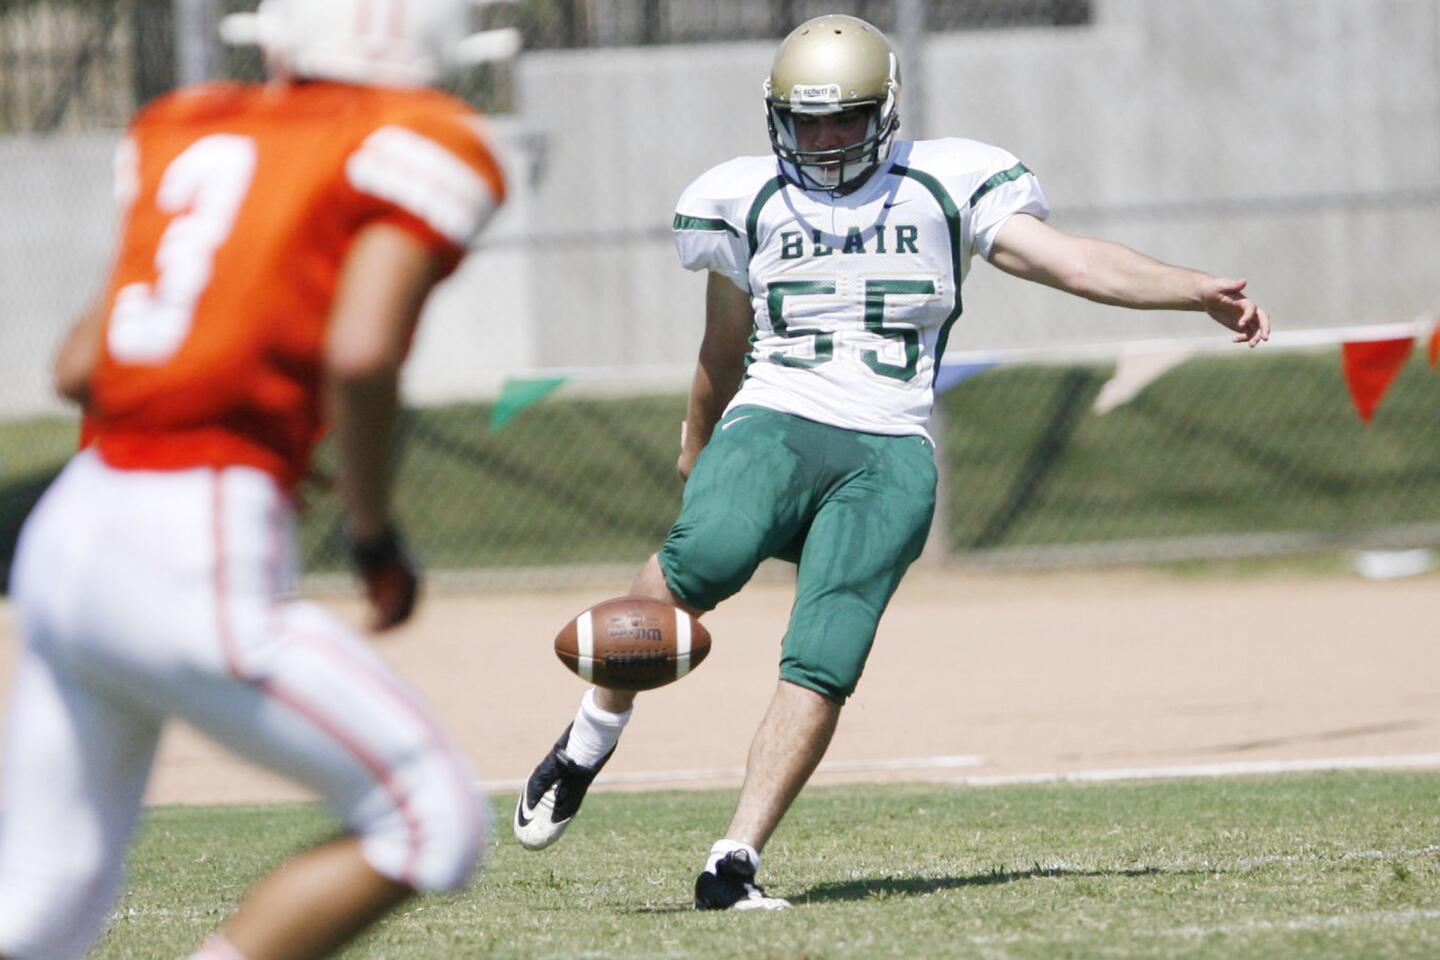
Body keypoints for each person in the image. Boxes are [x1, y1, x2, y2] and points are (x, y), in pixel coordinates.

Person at [513, 13, 1270, 911]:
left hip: (891, 447)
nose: (826, 139)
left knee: (826, 651)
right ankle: (588, 741)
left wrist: (1193, 292)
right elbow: (723, 342)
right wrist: (697, 438)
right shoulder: (741, 197)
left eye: (846, 118)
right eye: (808, 120)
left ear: (886, 110)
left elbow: (1069, 262)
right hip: (777, 418)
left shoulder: (949, 181)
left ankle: (734, 862)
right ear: (777, 117)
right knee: (702, 559)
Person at [0, 1, 513, 957]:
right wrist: (372, 528)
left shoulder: (190, 124)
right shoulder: (416, 138)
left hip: (73, 528)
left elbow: (78, 366)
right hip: (190, 540)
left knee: (38, 895)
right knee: (429, 817)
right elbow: (361, 354)